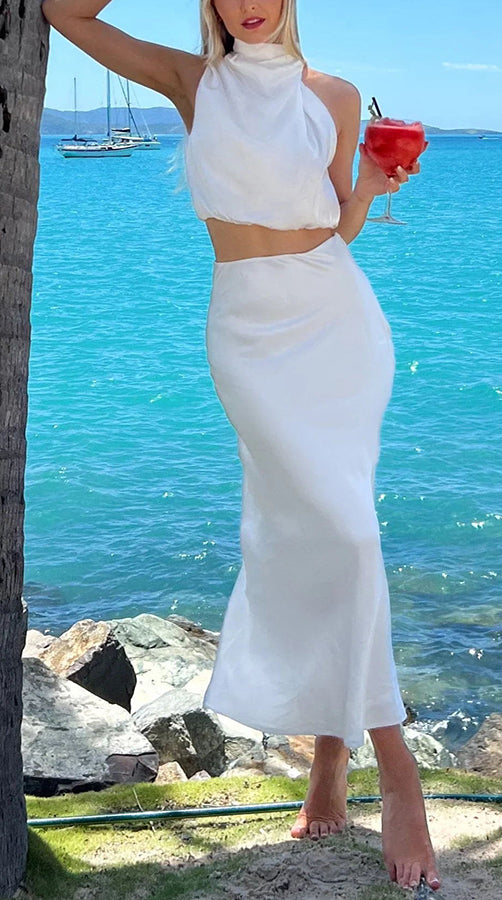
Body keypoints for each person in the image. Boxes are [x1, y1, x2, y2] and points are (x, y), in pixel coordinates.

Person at [41, 0, 441, 891]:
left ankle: (359, 762)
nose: (248, 3)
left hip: (335, 319)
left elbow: (334, 229)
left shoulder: (334, 95)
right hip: (249, 332)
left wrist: (367, 193)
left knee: (346, 533)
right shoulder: (193, 82)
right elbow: (65, 13)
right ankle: (370, 758)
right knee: (306, 534)